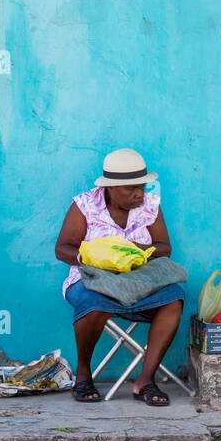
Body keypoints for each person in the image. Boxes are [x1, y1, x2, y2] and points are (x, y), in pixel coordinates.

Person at [55, 148, 184, 407]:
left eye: (142, 187)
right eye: (130, 189)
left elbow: (164, 247)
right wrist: (95, 256)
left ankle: (145, 380)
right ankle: (83, 374)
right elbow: (62, 249)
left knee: (174, 298)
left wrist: (135, 252)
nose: (139, 194)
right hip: (94, 278)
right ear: (110, 188)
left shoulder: (150, 205)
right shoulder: (86, 205)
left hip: (140, 280)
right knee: (93, 303)